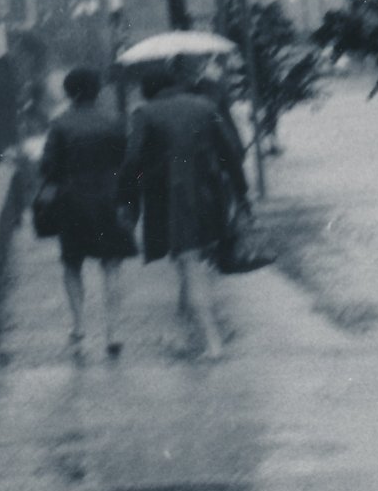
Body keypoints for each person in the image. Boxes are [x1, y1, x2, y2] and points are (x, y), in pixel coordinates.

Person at [120, 59, 249, 360]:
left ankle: (213, 343)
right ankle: (187, 334)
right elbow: (231, 153)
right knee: (187, 263)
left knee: (189, 265)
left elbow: (131, 163)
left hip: (170, 201)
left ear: (146, 90)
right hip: (210, 198)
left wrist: (129, 203)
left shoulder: (144, 113)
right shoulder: (205, 106)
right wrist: (242, 197)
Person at [40, 67, 137, 353]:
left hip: (73, 201)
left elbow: (48, 168)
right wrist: (129, 202)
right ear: (98, 90)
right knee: (111, 266)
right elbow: (129, 164)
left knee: (72, 263)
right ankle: (113, 331)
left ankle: (80, 326)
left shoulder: (59, 125)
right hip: (109, 199)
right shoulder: (115, 122)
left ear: (69, 92)